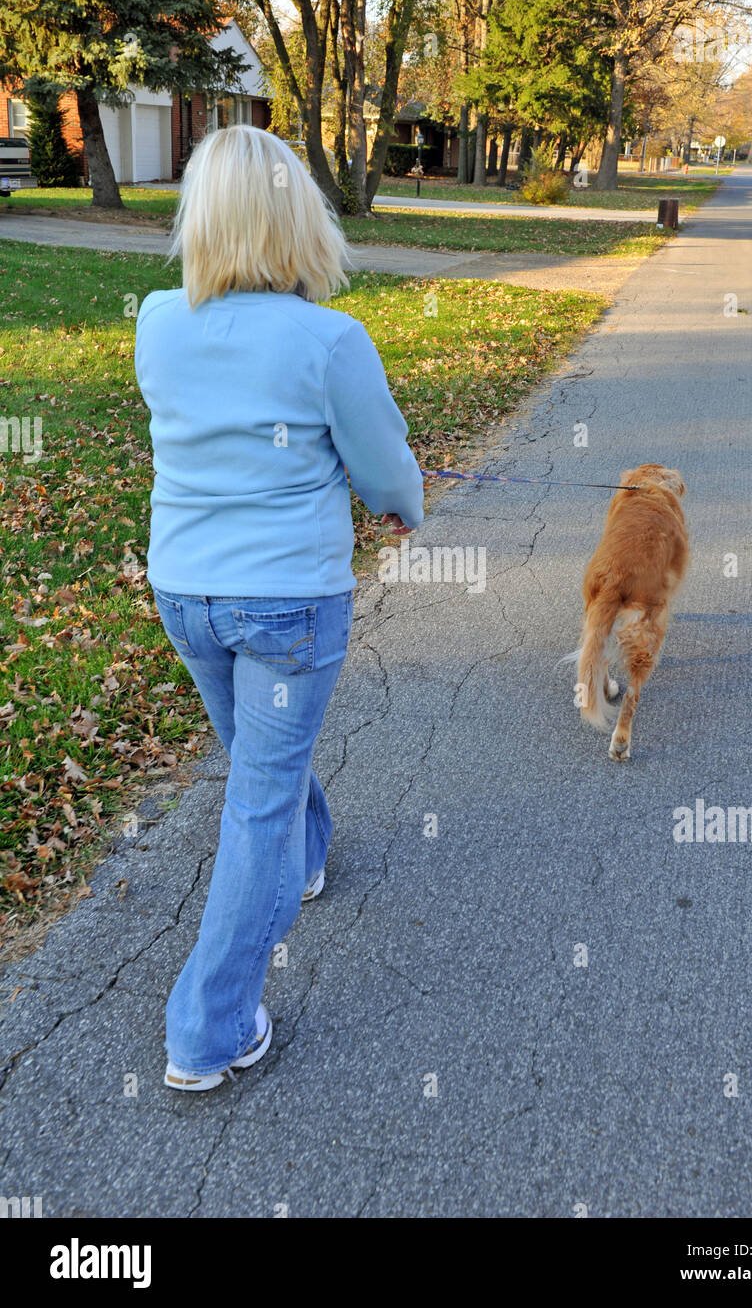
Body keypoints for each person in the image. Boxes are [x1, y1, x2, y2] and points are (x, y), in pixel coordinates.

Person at [134, 125, 424, 1091]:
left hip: (186, 591)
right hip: (285, 606)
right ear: (296, 215)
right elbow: (387, 473)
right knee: (258, 795)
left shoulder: (156, 319)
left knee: (260, 765)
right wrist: (402, 505)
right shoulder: (329, 338)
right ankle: (209, 1032)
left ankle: (304, 860)